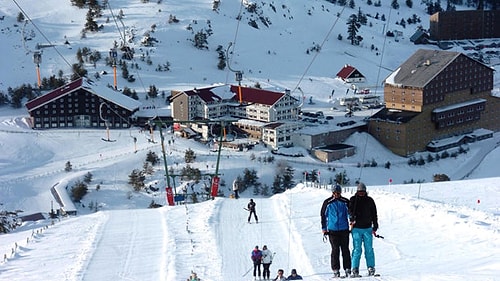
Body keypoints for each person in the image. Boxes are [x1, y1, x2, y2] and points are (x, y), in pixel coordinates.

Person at [320, 184, 351, 278]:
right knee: (335, 250)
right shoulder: (328, 202)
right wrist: (324, 229)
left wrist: (352, 221)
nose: (336, 194)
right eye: (334, 193)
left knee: (345, 250)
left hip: (344, 229)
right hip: (332, 230)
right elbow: (323, 215)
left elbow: (350, 213)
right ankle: (336, 270)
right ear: (332, 193)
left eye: (338, 193)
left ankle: (348, 269)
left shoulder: (345, 201)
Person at [349, 182, 379, 277]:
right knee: (357, 249)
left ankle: (371, 267)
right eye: (360, 192)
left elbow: (374, 213)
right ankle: (355, 268)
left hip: (367, 228)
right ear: (357, 191)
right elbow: (349, 210)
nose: (361, 193)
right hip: (356, 228)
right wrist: (352, 216)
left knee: (369, 249)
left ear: (366, 192)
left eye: (363, 192)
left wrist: (375, 225)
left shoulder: (370, 201)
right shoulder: (353, 200)